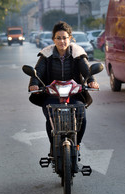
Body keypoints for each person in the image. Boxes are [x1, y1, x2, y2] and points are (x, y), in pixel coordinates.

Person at [28, 21, 99, 150]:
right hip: (51, 94)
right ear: (54, 40)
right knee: (51, 117)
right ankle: (53, 145)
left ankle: (77, 144)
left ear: (70, 38)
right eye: (58, 38)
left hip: (74, 93)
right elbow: (37, 72)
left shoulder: (77, 53)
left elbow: (86, 70)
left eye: (65, 38)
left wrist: (91, 81)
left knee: (81, 114)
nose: (62, 41)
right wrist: (34, 84)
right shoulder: (46, 54)